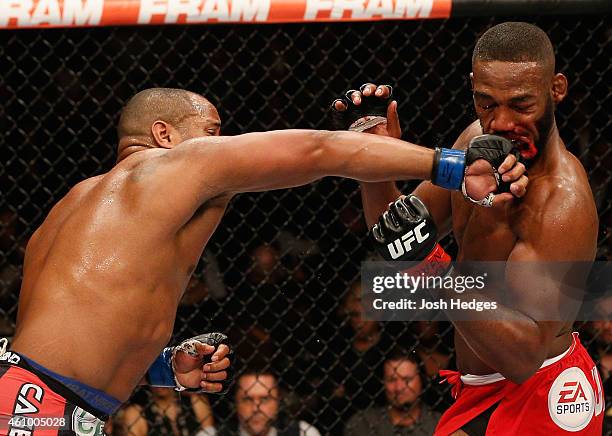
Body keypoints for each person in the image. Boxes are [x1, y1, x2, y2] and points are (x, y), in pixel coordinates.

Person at [0, 87, 523, 435]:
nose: (221, 145)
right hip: (40, 412)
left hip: (29, 400)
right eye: (213, 130)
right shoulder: (175, 165)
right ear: (164, 135)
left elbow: (58, 343)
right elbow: (319, 153)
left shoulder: (65, 212)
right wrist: (451, 165)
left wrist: (160, 369)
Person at [334, 22, 604, 435]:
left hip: (541, 396)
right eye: (486, 103)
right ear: (473, 88)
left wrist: (431, 266)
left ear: (557, 89)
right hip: (481, 390)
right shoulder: (472, 142)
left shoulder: (560, 202)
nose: (501, 122)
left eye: (521, 104)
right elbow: (396, 234)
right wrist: (376, 156)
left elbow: (522, 358)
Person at [345, 347, 441, 435]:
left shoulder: (440, 424)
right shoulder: (362, 424)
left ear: (422, 381)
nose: (399, 388)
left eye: (407, 380)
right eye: (391, 380)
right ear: (383, 383)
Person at [226, 369, 321, 436]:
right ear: (235, 403)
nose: (256, 409)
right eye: (247, 399)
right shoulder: (215, 433)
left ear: (278, 402)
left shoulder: (303, 432)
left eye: (265, 399)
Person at [120, 387, 215, 436]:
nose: (160, 380)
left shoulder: (196, 401)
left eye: (163, 371)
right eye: (155, 372)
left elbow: (210, 432)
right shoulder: (136, 413)